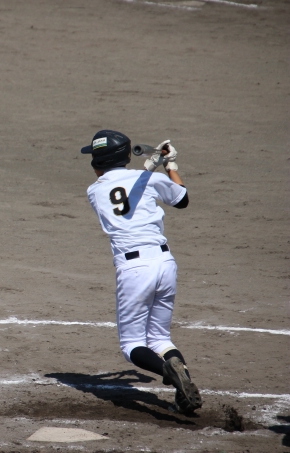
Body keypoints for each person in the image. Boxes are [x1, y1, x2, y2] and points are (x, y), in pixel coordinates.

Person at [80, 129, 202, 414]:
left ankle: (170, 373)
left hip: (134, 269)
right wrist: (169, 164)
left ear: (98, 162)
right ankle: (182, 391)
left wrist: (150, 166)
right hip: (165, 263)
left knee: (132, 345)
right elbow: (182, 199)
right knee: (160, 339)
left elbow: (124, 192)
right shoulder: (149, 180)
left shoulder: (94, 191)